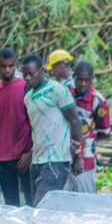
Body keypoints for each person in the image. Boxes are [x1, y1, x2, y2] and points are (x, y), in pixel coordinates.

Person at [20, 54, 83, 204]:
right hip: (37, 161)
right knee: (40, 206)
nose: (28, 78)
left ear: (42, 70)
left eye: (31, 74)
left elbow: (75, 120)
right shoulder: (28, 97)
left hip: (55, 159)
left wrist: (78, 156)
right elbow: (37, 128)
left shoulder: (57, 90)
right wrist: (31, 152)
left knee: (41, 206)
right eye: (25, 75)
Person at [0, 47, 33, 206]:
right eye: (3, 66)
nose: (7, 70)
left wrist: (31, 153)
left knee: (31, 203)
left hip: (24, 157)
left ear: (16, 65)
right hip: (3, 159)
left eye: (11, 66)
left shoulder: (27, 88)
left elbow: (36, 122)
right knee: (10, 206)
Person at [71, 61, 111, 173]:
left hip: (85, 160)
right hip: (64, 158)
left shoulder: (98, 101)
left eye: (87, 80)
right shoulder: (67, 94)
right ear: (74, 77)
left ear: (92, 79)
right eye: (80, 79)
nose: (83, 84)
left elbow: (104, 132)